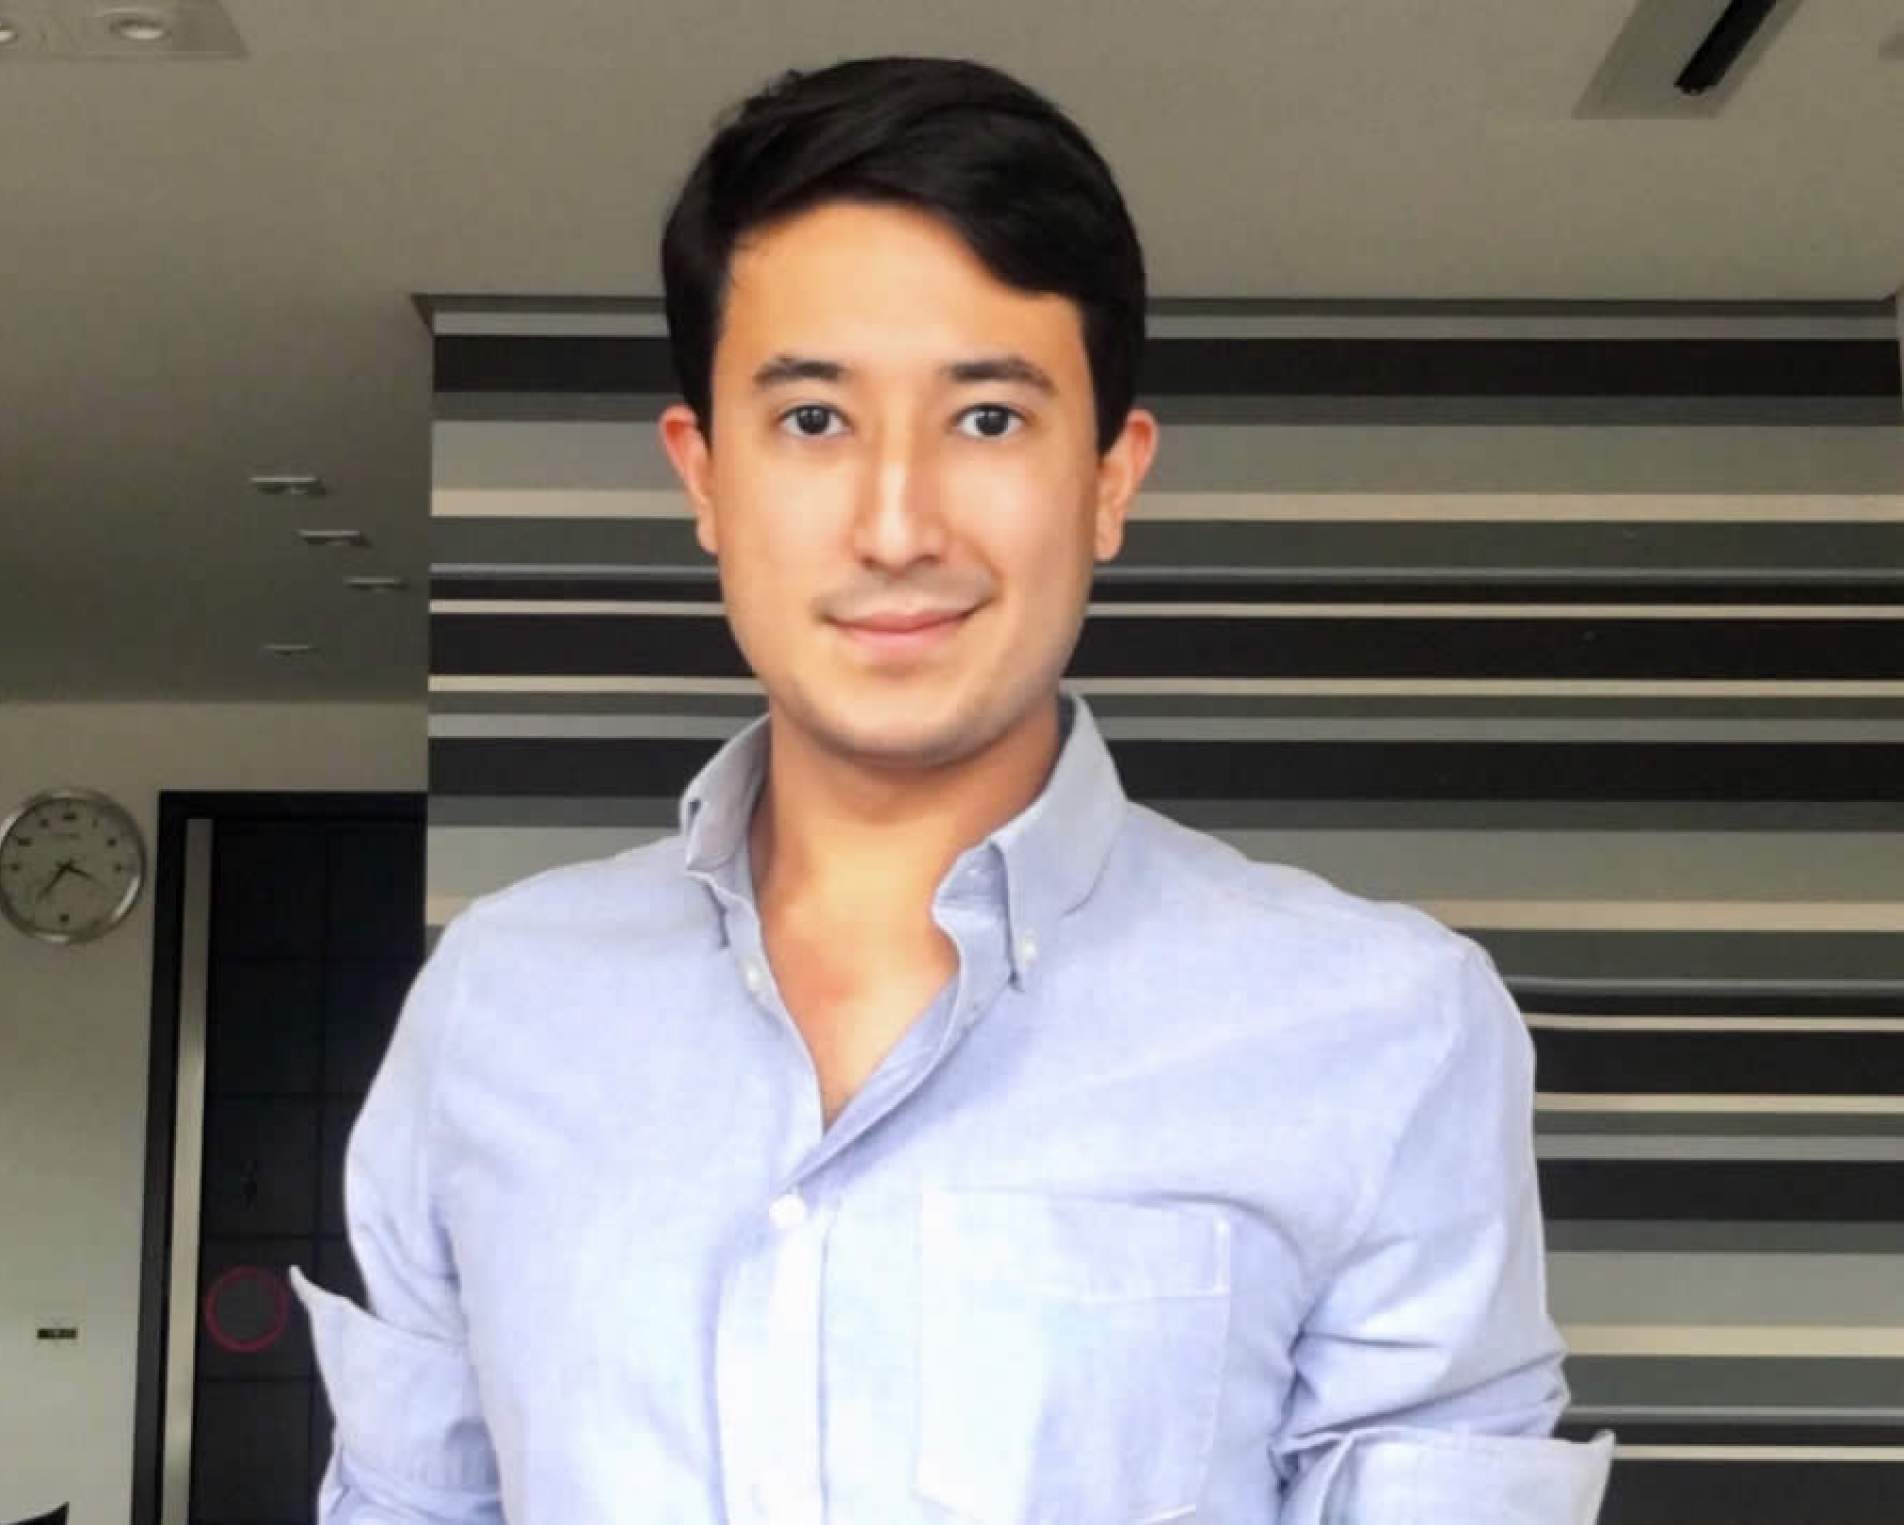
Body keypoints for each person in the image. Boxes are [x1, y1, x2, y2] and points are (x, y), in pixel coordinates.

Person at [292, 53, 1616, 1523]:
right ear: (703, 476)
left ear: (1111, 477)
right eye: (813, 419)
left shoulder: (1384, 1030)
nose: (897, 524)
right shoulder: (494, 1008)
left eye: (988, 418)